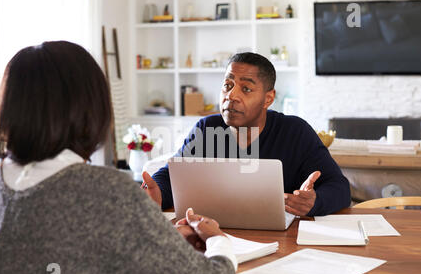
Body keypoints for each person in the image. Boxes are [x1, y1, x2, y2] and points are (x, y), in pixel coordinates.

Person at [0, 41, 237, 274]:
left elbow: (65, 256)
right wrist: (217, 239)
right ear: (91, 106)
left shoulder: (7, 174)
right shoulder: (105, 188)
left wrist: (157, 240)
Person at [142, 52, 351, 217]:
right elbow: (171, 175)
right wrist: (157, 192)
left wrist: (314, 202)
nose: (231, 96)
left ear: (268, 99)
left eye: (246, 89)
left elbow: (339, 188)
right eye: (227, 85)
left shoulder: (295, 132)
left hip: (281, 243)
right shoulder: (206, 129)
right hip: (216, 237)